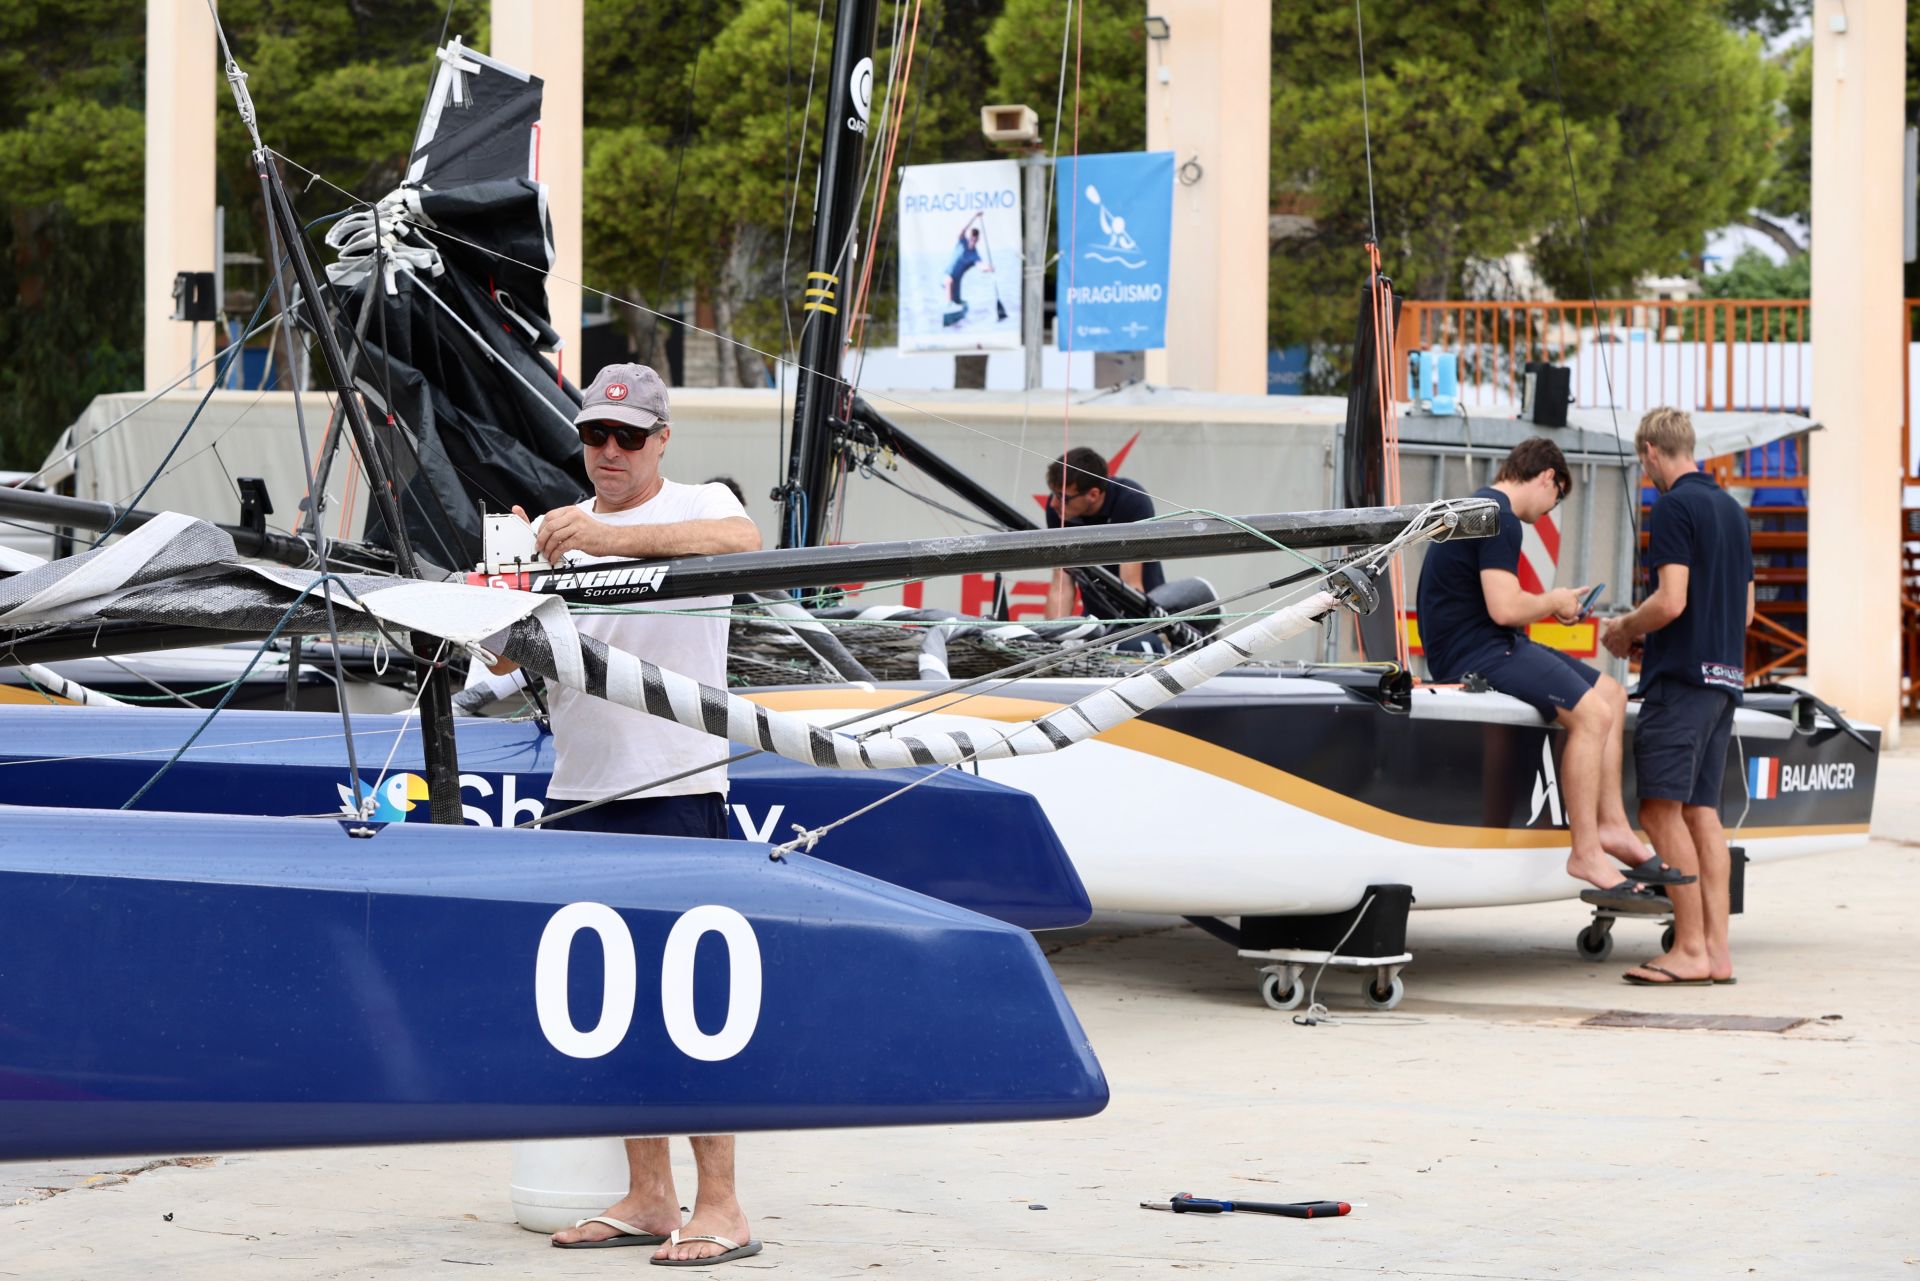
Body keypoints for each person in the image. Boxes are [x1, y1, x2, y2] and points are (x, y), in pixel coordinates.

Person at [498, 363, 765, 1264]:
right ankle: (651, 1194)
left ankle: (720, 1205)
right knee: (606, 1009)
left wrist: (602, 542)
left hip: (677, 789)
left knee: (692, 1013)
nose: (607, 452)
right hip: (580, 789)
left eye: (627, 437)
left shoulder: (698, 503)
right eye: (593, 436)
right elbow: (507, 664)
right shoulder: (554, 530)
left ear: (661, 441)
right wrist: (498, 626)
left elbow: (742, 538)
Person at [1415, 437, 1668, 892]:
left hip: (1478, 643)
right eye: (1558, 498)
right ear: (1549, 477)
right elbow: (1505, 609)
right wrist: (1553, 600)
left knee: (1611, 692)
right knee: (1593, 715)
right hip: (1479, 650)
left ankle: (1612, 825)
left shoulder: (1477, 506)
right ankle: (1586, 852)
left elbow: (1498, 606)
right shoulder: (1501, 520)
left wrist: (1549, 605)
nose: (1551, 510)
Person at [1602, 407, 1754, 987]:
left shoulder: (1672, 507)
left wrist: (1624, 630)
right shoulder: (1734, 512)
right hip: (1724, 681)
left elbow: (1669, 601)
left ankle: (1688, 949)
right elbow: (1745, 612)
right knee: (1703, 814)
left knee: (1659, 811)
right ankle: (1716, 952)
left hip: (1683, 683)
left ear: (1649, 453)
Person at [1041, 445, 1165, 619]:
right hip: (1095, 617)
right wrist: (1053, 636)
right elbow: (1061, 582)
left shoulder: (1131, 501)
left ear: (1093, 494)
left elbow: (1131, 584)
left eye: (1063, 497)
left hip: (1143, 610)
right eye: (1053, 493)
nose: (1053, 503)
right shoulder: (1058, 510)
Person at [941, 214, 990, 318]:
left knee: (958, 301)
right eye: (972, 237)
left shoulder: (974, 255)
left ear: (977, 240)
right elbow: (963, 229)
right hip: (947, 275)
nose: (973, 240)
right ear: (970, 236)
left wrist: (989, 268)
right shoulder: (962, 241)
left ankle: (959, 308)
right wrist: (975, 217)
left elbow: (981, 266)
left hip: (957, 282)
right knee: (949, 281)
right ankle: (948, 307)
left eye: (975, 238)